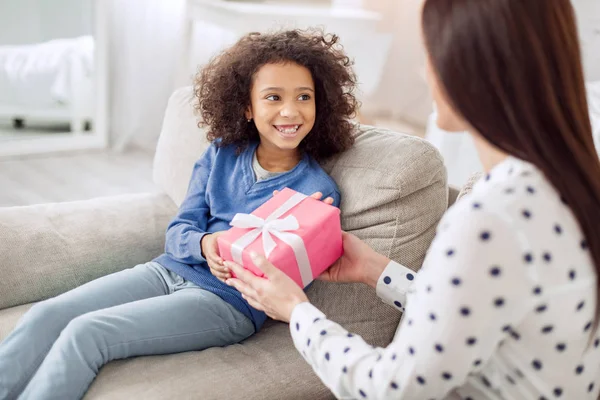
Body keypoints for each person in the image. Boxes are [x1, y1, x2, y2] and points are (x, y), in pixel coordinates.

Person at [225, 1, 600, 398]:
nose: (424, 73)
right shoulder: (565, 183)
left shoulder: (490, 217)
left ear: (470, 67)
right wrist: (376, 269)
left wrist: (296, 311)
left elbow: (392, 388)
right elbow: (469, 317)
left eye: (430, 54)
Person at [0, 29, 358, 400]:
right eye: (273, 97)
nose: (290, 110)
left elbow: (283, 284)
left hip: (224, 303)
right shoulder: (222, 154)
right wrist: (205, 243)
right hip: (167, 270)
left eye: (304, 97)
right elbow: (179, 231)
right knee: (47, 315)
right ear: (247, 108)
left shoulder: (317, 192)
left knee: (86, 333)